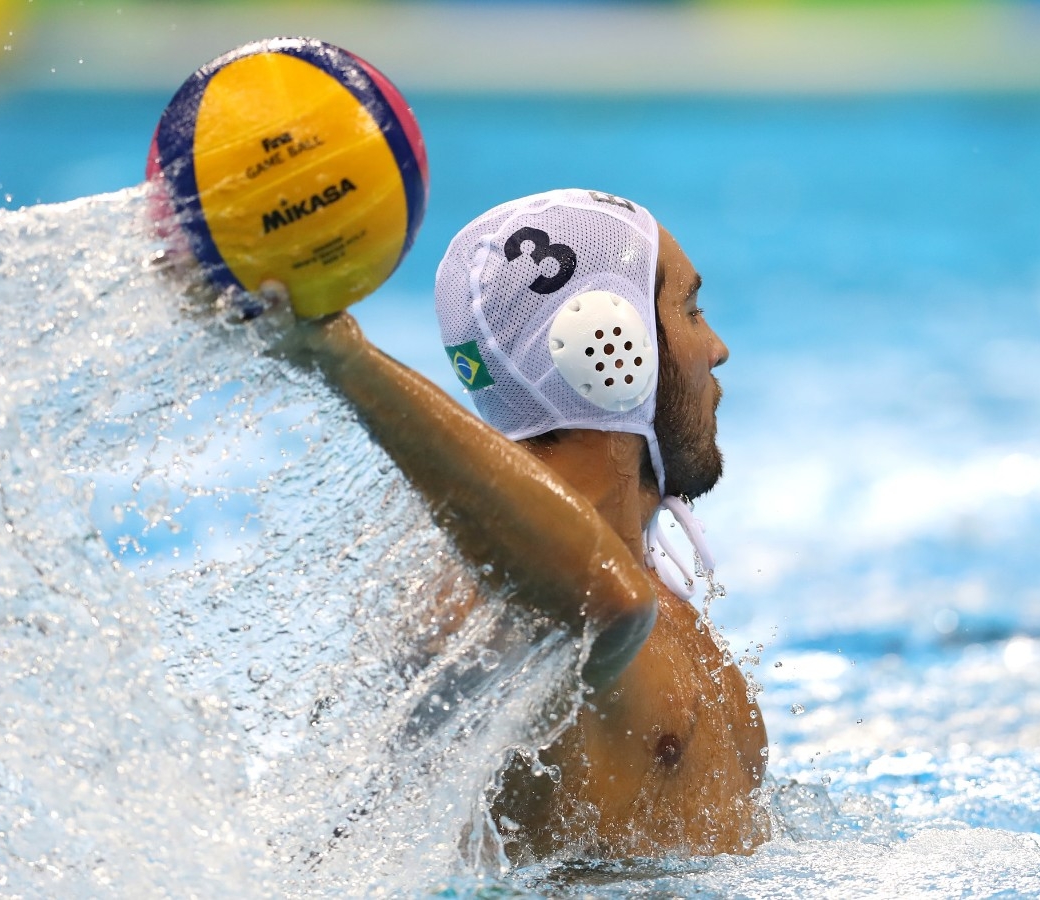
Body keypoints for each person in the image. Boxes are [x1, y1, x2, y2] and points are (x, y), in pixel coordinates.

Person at [292, 189, 766, 861]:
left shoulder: (658, 605)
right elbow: (595, 603)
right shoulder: (488, 609)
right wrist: (339, 354)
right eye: (688, 309)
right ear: (610, 346)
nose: (715, 347)